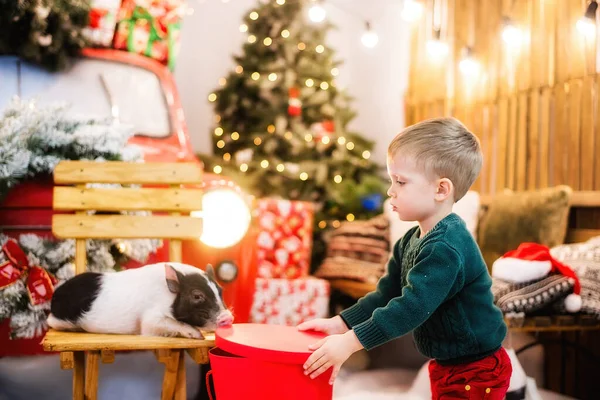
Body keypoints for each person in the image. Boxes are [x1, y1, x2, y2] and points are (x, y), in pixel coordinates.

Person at [298, 118, 512, 399]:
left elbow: (411, 308)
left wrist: (351, 342)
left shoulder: (446, 247)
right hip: (447, 364)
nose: (390, 190)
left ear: (440, 190)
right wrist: (342, 323)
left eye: (400, 181)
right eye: (391, 180)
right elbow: (386, 294)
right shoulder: (409, 241)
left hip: (477, 368)